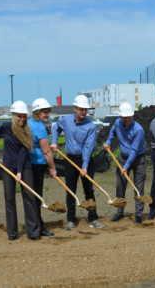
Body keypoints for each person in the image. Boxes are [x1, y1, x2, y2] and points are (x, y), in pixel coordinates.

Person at [0, 101, 40, 240]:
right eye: (19, 116)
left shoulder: (27, 132)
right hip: (7, 167)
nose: (22, 119)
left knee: (29, 197)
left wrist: (19, 172)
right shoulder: (6, 127)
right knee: (9, 199)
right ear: (13, 115)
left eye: (24, 116)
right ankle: (12, 233)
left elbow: (23, 153)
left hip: (24, 166)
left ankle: (33, 232)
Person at [50, 95, 104, 230]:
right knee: (70, 191)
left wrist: (84, 166)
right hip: (69, 159)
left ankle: (93, 218)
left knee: (89, 191)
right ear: (75, 108)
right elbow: (55, 128)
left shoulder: (90, 127)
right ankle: (71, 220)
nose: (84, 112)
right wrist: (54, 141)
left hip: (86, 160)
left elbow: (88, 147)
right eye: (81, 109)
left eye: (86, 110)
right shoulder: (66, 120)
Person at [103, 102, 146, 224]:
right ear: (120, 116)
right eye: (124, 117)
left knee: (138, 187)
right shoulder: (117, 123)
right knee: (120, 186)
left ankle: (138, 215)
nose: (127, 119)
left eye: (129, 117)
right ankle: (119, 212)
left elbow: (134, 151)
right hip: (122, 157)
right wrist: (108, 142)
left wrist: (126, 167)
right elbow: (112, 133)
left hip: (138, 159)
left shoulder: (138, 130)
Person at [28, 98, 58, 236]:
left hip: (29, 164)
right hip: (37, 165)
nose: (47, 115)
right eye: (44, 112)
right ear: (37, 112)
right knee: (37, 197)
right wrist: (52, 168)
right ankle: (38, 227)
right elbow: (46, 152)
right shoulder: (39, 127)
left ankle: (36, 226)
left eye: (48, 112)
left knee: (32, 197)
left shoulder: (29, 124)